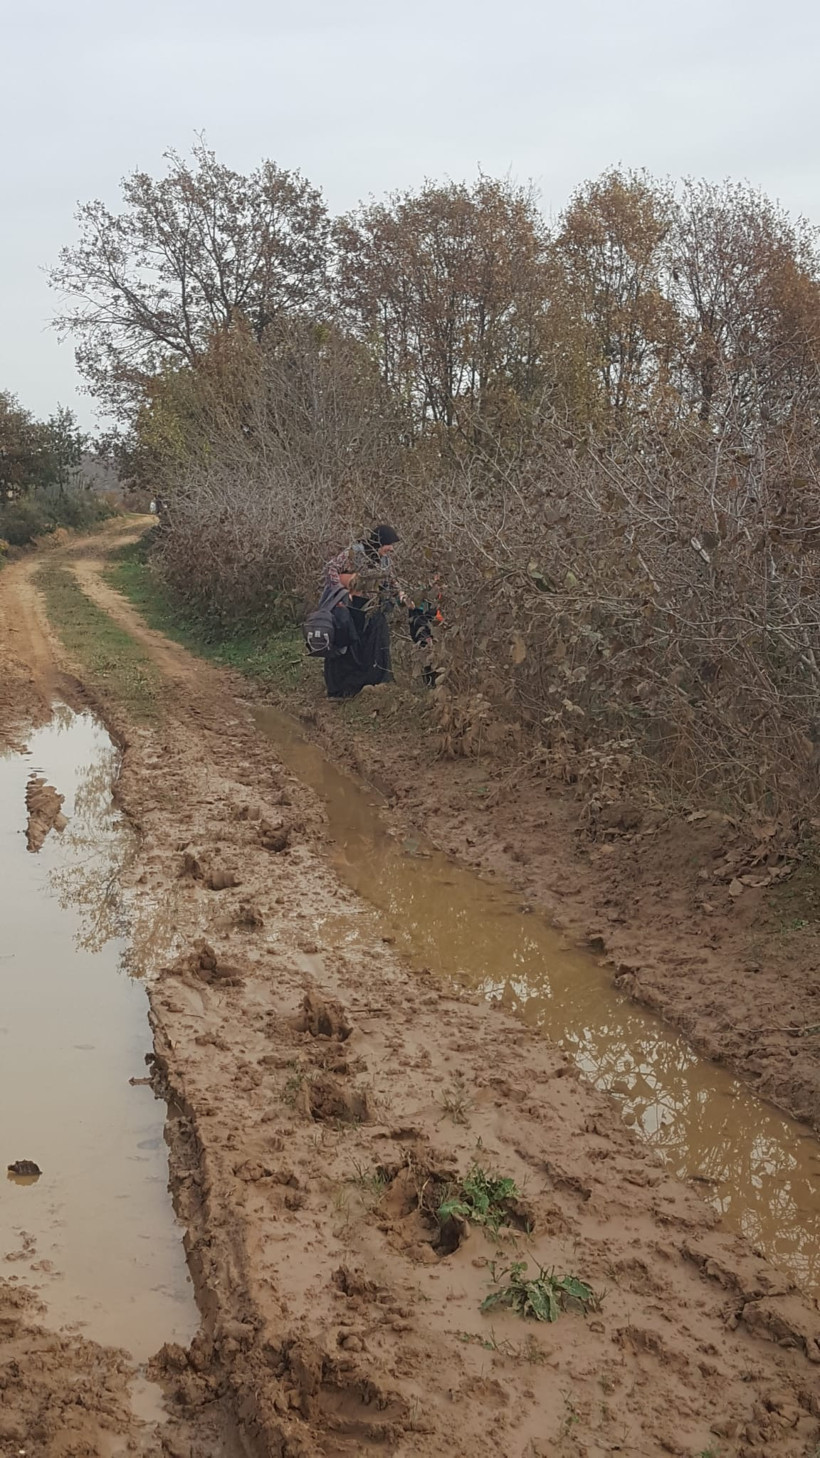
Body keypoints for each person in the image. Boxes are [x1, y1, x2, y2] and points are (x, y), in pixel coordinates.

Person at [322, 525, 402, 699]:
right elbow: (331, 568)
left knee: (376, 640)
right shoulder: (356, 551)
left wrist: (401, 595)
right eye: (389, 544)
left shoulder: (385, 560)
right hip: (350, 607)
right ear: (380, 542)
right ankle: (342, 688)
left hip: (371, 606)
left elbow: (391, 579)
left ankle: (374, 681)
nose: (391, 548)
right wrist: (342, 591)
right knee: (348, 644)